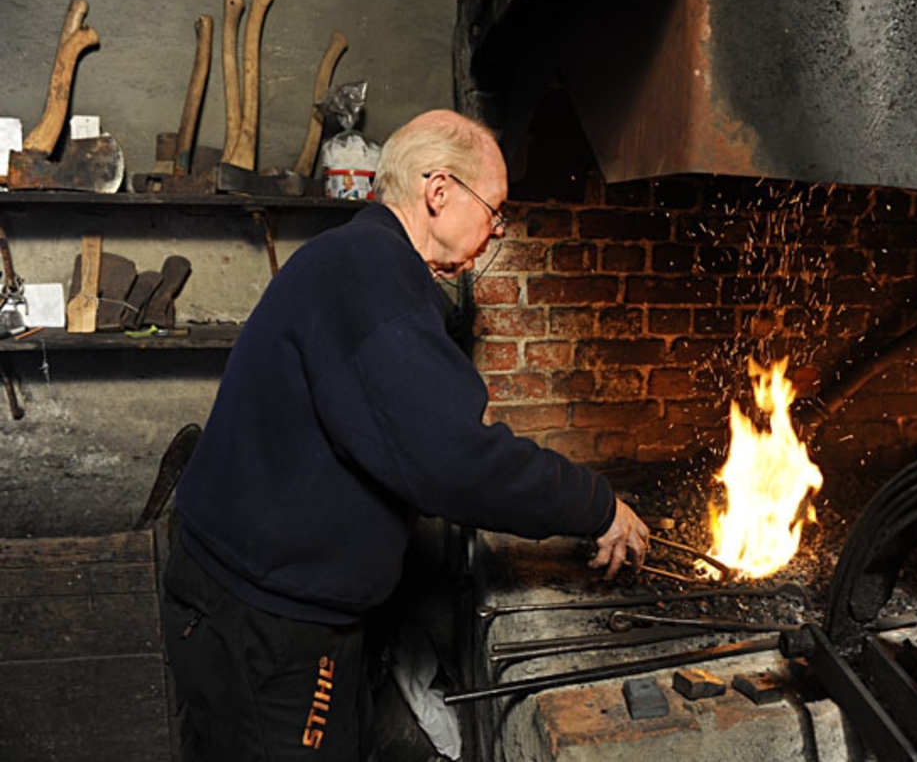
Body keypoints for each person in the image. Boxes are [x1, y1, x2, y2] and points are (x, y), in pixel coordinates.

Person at [161, 109, 650, 761]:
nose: (495, 230)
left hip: (257, 603)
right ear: (439, 191)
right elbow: (451, 460)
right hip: (267, 626)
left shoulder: (360, 260)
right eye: (494, 209)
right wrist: (597, 505)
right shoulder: (371, 274)